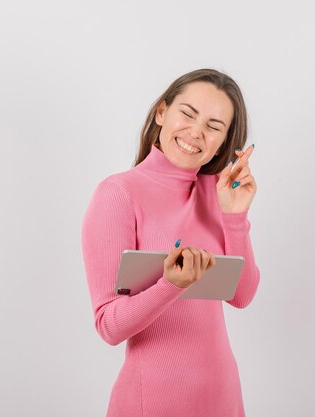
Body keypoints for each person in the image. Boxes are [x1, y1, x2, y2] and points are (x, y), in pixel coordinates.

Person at [81, 68, 260, 417]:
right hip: (154, 404)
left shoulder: (216, 193)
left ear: (224, 142)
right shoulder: (117, 194)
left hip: (223, 398)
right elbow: (109, 325)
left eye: (214, 126)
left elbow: (241, 296)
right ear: (162, 112)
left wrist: (235, 217)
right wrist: (170, 285)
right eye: (188, 114)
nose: (196, 132)